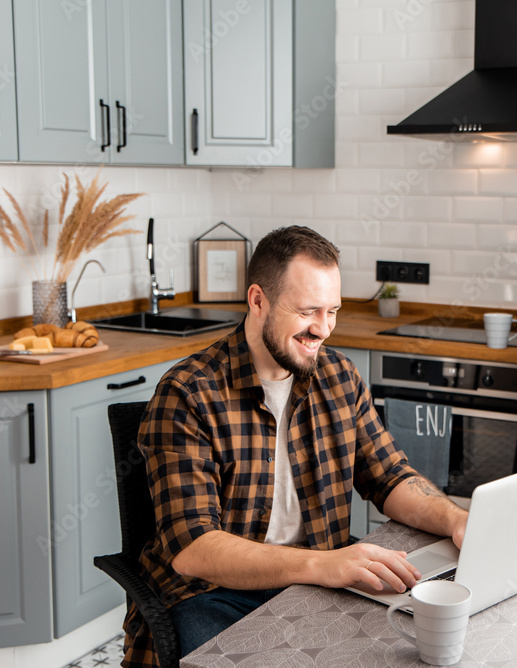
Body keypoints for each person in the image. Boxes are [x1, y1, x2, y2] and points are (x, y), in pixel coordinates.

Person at [123, 225, 469, 665]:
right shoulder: (189, 393)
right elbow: (195, 548)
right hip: (212, 595)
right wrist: (323, 565)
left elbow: (389, 476)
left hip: (316, 579)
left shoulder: (338, 375)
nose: (323, 329)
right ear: (257, 300)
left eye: (333, 311)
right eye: (308, 311)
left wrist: (456, 519)